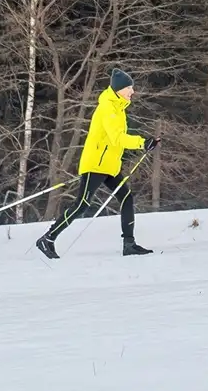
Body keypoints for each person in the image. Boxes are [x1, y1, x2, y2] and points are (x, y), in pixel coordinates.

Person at [36, 68, 150, 259]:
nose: (133, 91)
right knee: (82, 204)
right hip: (96, 164)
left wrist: (146, 143)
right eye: (130, 88)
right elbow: (117, 138)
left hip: (109, 166)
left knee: (126, 198)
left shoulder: (119, 108)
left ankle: (129, 244)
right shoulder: (108, 108)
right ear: (119, 89)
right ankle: (48, 238)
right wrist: (142, 142)